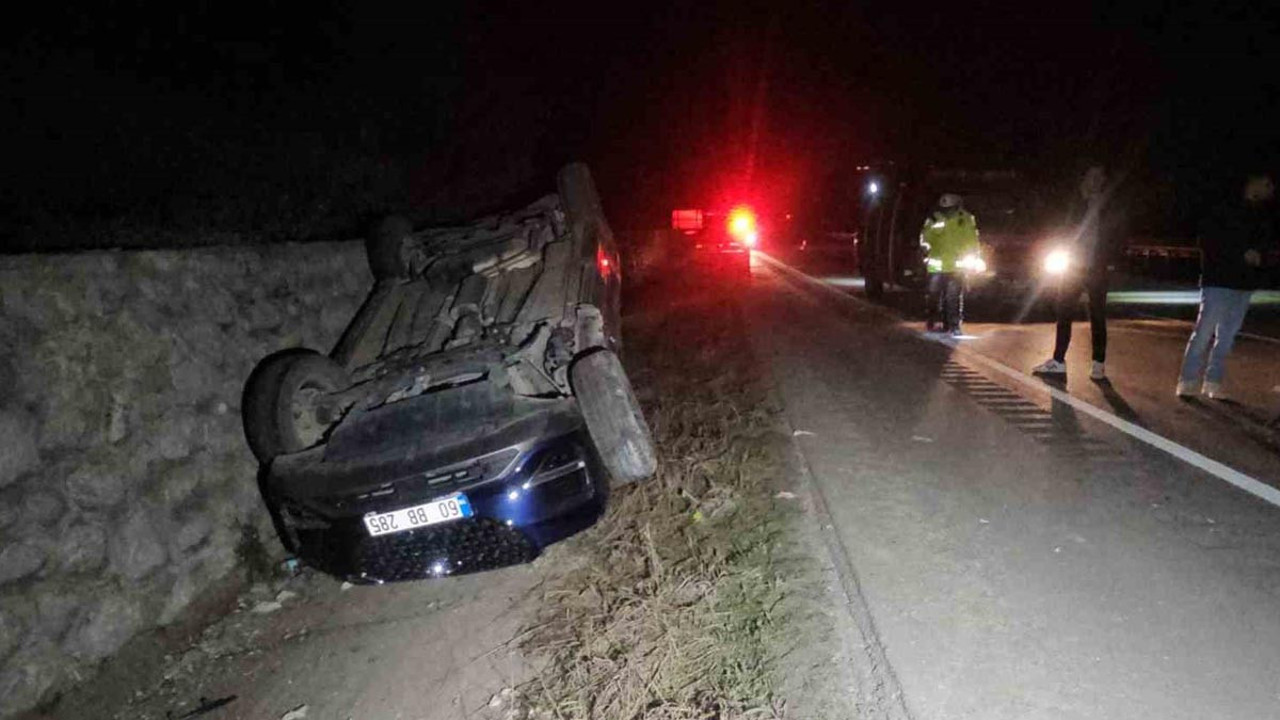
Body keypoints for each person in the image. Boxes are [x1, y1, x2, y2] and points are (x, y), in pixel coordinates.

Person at [1176, 173, 1276, 399]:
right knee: (1204, 332)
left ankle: (1213, 381)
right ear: (1255, 182)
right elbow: (1208, 239)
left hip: (1243, 284)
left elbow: (1266, 248)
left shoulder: (1261, 216)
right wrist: (1241, 253)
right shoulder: (1225, 206)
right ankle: (1188, 379)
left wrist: (1261, 259)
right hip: (1218, 281)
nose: (1271, 190)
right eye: (1268, 184)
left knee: (1227, 337)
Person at [1032, 165, 1123, 380]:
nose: (1095, 181)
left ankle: (1098, 364)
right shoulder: (1075, 205)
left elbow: (1117, 235)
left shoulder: (1108, 206)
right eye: (1091, 176)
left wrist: (1112, 261)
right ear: (1084, 179)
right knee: (1064, 313)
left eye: (1099, 177)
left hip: (1097, 268)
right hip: (1073, 267)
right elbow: (1059, 228)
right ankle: (1058, 361)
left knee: (1098, 316)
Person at [921, 193, 980, 335]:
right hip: (937, 266)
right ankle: (932, 320)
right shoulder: (933, 219)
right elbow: (925, 238)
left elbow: (972, 239)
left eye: (950, 208)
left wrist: (974, 256)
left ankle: (953, 325)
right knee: (933, 295)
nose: (947, 211)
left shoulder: (966, 219)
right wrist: (925, 250)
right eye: (944, 208)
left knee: (952, 296)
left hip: (956, 266)